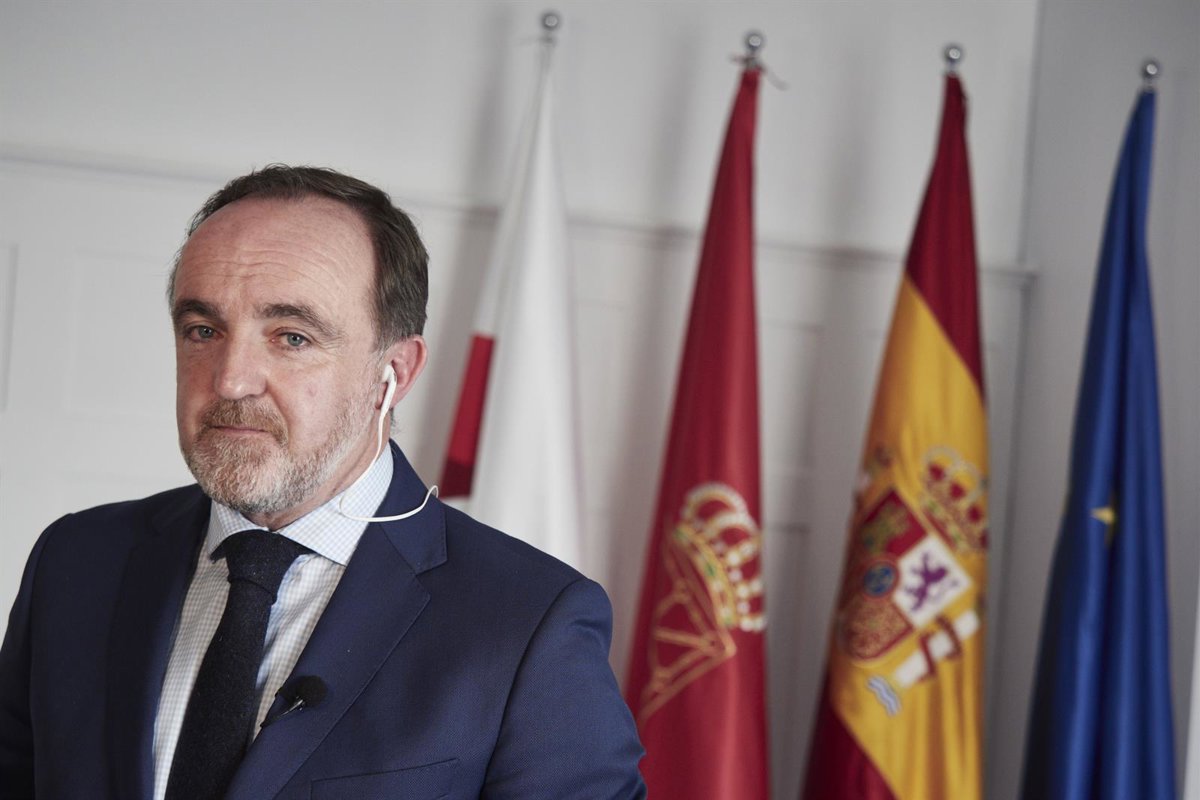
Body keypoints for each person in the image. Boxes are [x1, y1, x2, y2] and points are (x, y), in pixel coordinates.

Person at [0, 165, 646, 800]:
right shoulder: (77, 560)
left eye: (292, 337)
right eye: (203, 330)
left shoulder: (529, 623)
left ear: (393, 373)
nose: (230, 380)